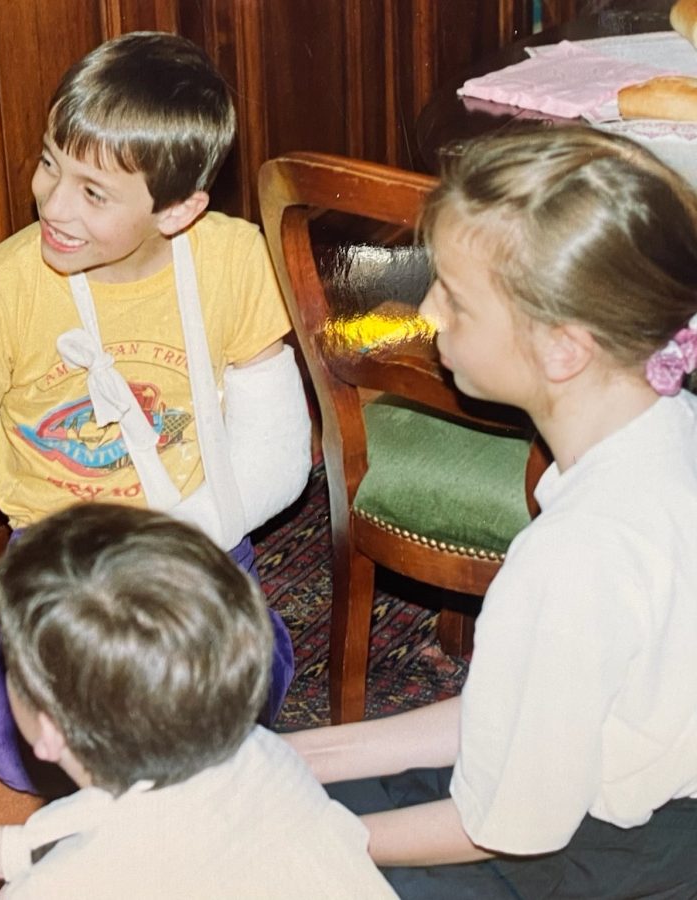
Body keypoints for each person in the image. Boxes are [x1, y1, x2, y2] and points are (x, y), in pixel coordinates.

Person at [0, 31, 311, 793]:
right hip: (61, 569)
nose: (52, 204)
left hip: (195, 536)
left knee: (229, 713)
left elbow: (281, 450)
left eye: (94, 192)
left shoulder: (234, 256)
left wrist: (195, 549)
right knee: (36, 758)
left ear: (179, 209)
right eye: (51, 162)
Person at [285, 125, 697, 898]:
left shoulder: (574, 560)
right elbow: (526, 707)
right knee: (297, 779)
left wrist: (292, 836)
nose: (429, 313)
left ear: (564, 349)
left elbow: (507, 828)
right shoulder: (666, 429)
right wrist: (313, 755)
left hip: (605, 865)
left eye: (457, 299)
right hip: (641, 814)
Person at [0, 503, 394, 899]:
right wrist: (11, 849)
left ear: (49, 730)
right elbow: (144, 819)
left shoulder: (58, 889)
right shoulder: (263, 756)